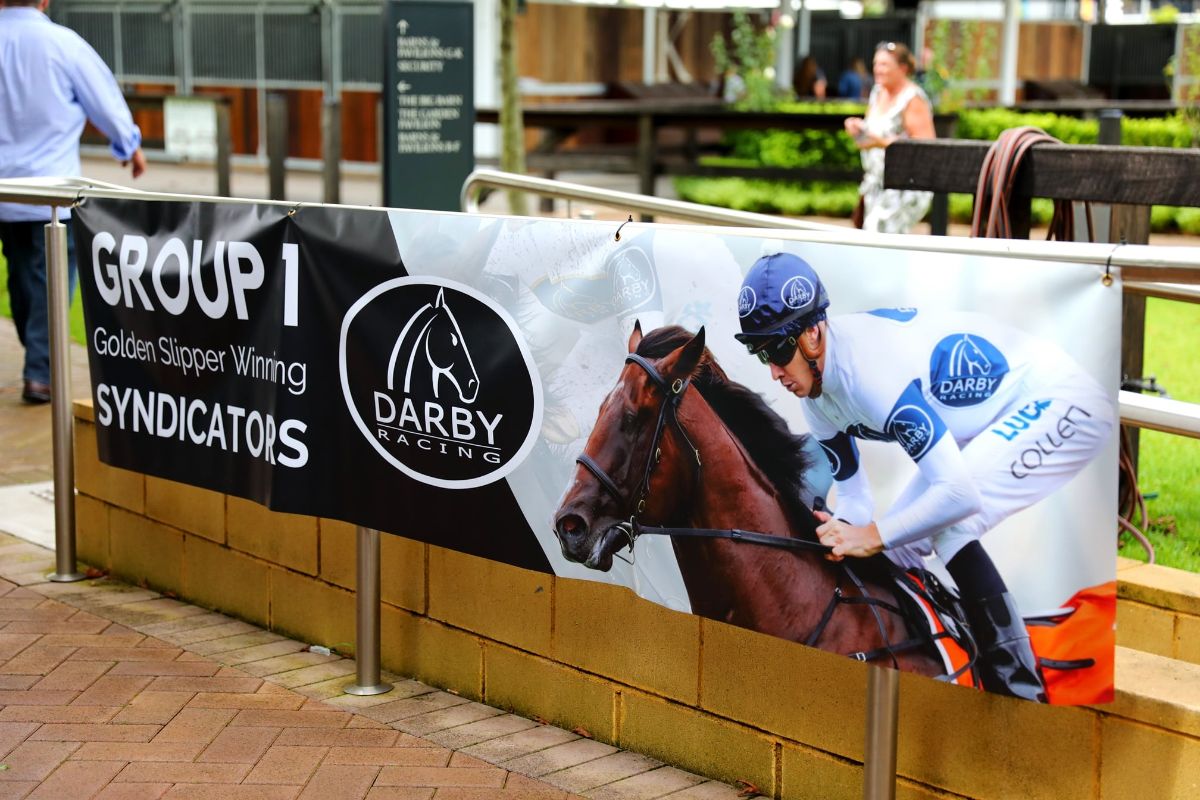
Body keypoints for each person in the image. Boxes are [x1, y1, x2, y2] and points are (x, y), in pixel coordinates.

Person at [733, 252, 1116, 701]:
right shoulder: (816, 397)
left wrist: (872, 535)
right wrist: (840, 530)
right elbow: (856, 501)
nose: (774, 371)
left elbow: (959, 494)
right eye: (761, 354)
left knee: (952, 526)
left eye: (779, 350)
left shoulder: (869, 374)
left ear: (813, 334)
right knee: (900, 547)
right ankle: (934, 665)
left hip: (1060, 399)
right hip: (986, 418)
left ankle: (1022, 694)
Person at [0, 0, 145, 404]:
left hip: (4, 194)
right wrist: (128, 145)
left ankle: (39, 360)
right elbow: (104, 99)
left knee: (23, 279)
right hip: (52, 193)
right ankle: (41, 370)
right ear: (45, 0)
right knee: (48, 283)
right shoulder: (63, 45)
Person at [843, 42, 934, 233]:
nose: (878, 69)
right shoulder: (877, 92)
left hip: (904, 185)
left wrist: (882, 142)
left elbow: (925, 148)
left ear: (902, 68)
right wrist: (858, 128)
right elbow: (871, 135)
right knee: (873, 238)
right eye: (876, 64)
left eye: (884, 64)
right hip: (875, 183)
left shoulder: (913, 98)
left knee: (878, 235)